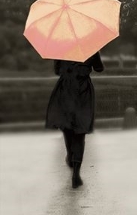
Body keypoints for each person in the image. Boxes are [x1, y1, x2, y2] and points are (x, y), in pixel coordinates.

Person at [45, 51, 104, 189]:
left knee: (67, 126)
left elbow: (56, 71)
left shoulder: (61, 48)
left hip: (65, 89)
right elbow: (99, 68)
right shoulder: (91, 47)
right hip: (83, 90)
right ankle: (76, 171)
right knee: (80, 129)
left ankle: (70, 156)